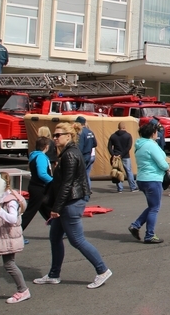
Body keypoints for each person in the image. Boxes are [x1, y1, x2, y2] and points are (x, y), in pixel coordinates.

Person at [34, 122, 112, 289]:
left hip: (72, 202)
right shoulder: (67, 152)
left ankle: (102, 270)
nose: (54, 138)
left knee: (76, 240)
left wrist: (56, 208)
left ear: (68, 136)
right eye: (54, 135)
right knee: (55, 237)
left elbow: (67, 184)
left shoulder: (70, 155)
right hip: (67, 201)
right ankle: (54, 274)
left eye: (58, 135)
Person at [0, 172, 30, 304]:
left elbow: (12, 218)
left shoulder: (10, 200)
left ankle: (23, 290)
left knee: (9, 264)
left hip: (8, 238)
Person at [129, 122, 170, 244]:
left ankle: (136, 225)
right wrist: (168, 169)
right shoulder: (151, 146)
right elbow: (162, 163)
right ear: (153, 133)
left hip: (142, 178)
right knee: (155, 208)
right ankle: (149, 235)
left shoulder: (139, 145)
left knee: (152, 206)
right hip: (153, 178)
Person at [21, 137, 54, 232]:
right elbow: (42, 173)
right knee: (30, 212)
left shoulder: (34, 155)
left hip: (37, 186)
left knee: (47, 209)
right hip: (39, 188)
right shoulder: (41, 157)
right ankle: (17, 232)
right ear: (47, 147)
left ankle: (58, 228)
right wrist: (53, 181)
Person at [108, 122, 136, 193]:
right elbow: (128, 147)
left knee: (117, 171)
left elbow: (109, 147)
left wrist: (113, 154)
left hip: (115, 156)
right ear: (124, 127)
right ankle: (132, 187)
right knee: (128, 171)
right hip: (125, 156)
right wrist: (122, 154)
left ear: (118, 127)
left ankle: (120, 188)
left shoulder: (113, 136)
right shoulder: (128, 136)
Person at [75, 116, 97, 191]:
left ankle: (84, 191)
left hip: (83, 156)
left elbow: (80, 147)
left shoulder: (80, 133)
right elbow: (95, 144)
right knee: (86, 174)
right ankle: (88, 189)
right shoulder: (90, 131)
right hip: (90, 155)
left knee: (81, 175)